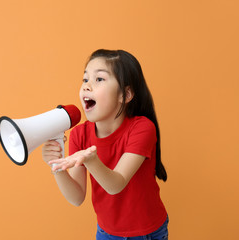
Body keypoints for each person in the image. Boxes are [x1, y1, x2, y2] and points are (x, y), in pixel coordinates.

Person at [42, 49, 168, 240]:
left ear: (125, 95)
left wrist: (91, 160)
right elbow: (76, 198)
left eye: (99, 79)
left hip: (148, 233)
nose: (86, 86)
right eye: (85, 79)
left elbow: (116, 184)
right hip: (107, 234)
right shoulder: (79, 134)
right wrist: (57, 166)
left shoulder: (142, 128)